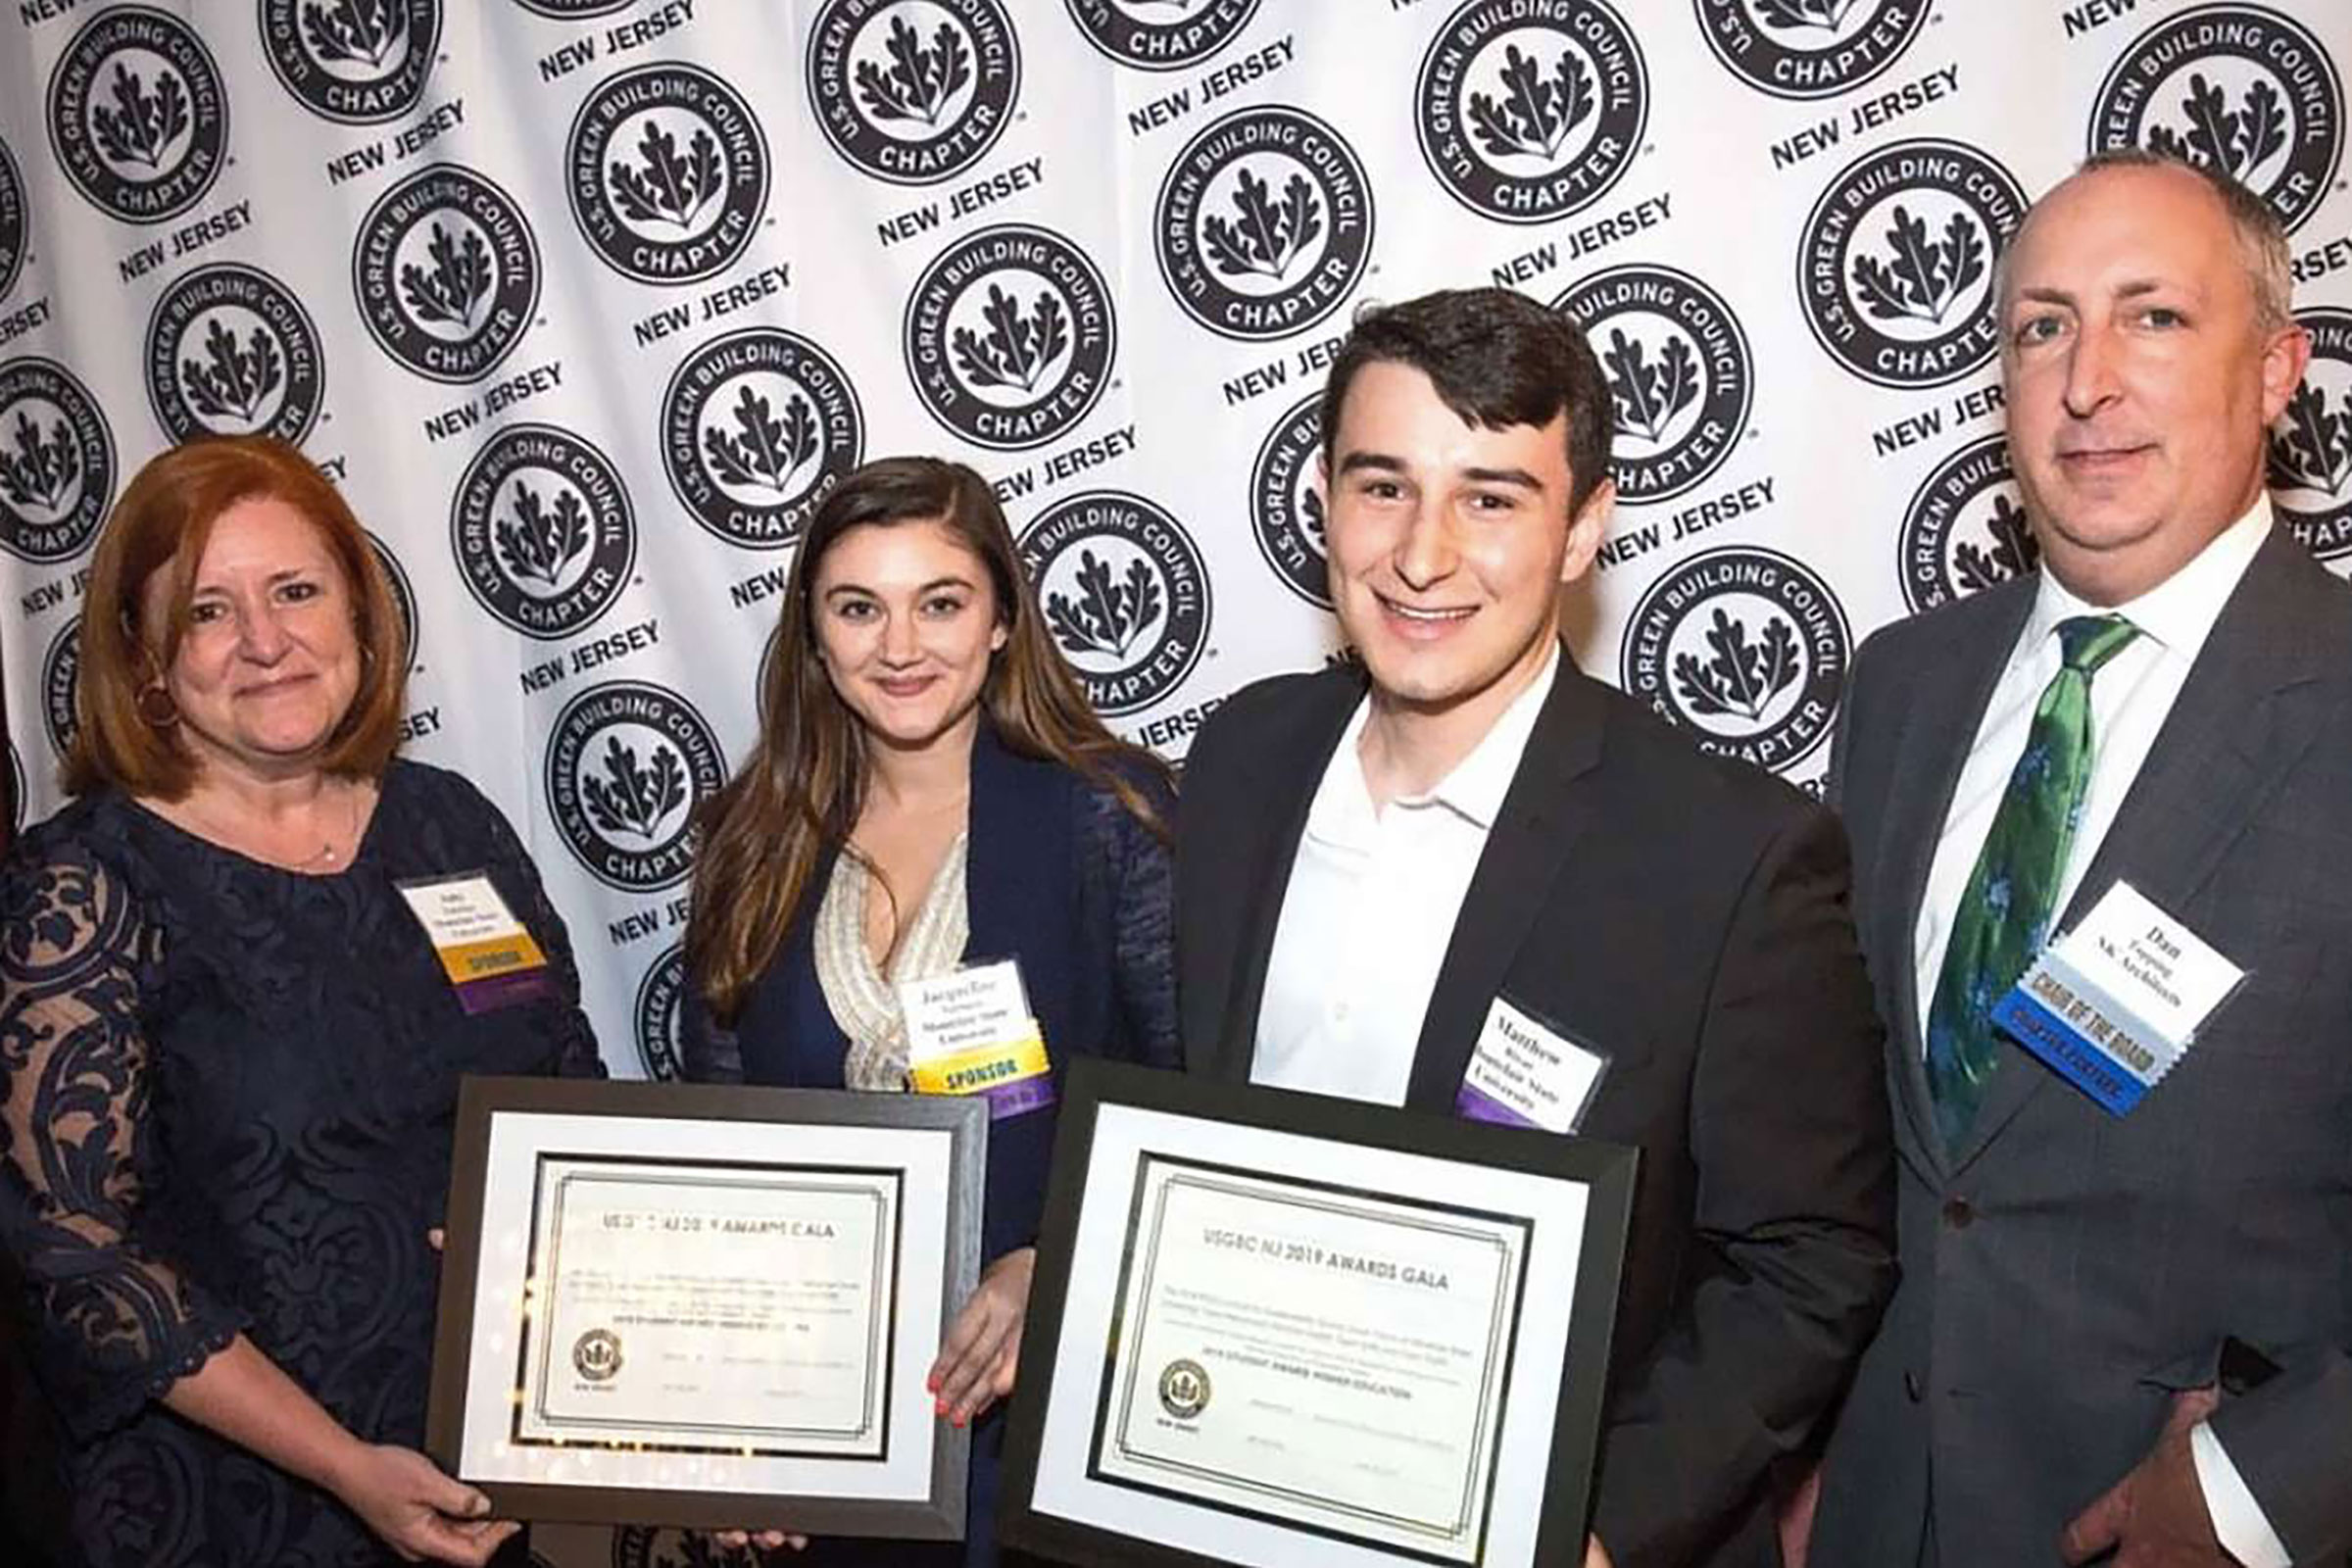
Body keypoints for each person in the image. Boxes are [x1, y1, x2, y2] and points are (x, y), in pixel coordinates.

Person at [1174, 287, 1895, 1568]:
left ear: (1581, 530)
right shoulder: (1240, 760)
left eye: (1490, 498)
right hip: (1231, 1489)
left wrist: (1598, 1526)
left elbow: (1809, 1261)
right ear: (1326, 502)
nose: (1423, 554)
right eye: (1382, 485)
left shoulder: (1729, 856)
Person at [1806, 150, 2352, 1567]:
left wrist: (2262, 1495)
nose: (2086, 381)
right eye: (2042, 325)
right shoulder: (1903, 691)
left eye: (2153, 318)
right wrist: (1803, 1441)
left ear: (2280, 367)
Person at [0, 435, 605, 1567]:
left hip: (499, 1481)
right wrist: (340, 1463)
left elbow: (571, 1096)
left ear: (360, 615)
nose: (266, 642)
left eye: (294, 590)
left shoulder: (448, 825)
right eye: (207, 612)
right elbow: (75, 1252)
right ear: (143, 654)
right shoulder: (85, 885)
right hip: (249, 1510)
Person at [680, 455, 1180, 1565]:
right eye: (858, 609)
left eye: (940, 603)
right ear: (814, 636)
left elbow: (1190, 1108)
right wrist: (721, 1406)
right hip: (832, 1437)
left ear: (1003, 617)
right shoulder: (750, 843)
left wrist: (1056, 1255)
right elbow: (719, 1152)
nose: (900, 648)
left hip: (1055, 1431)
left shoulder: (1108, 819)